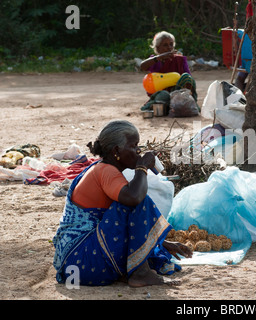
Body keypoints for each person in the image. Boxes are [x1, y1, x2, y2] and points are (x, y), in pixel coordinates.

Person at [52, 120, 192, 287]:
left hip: (73, 263)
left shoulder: (101, 169)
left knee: (132, 201)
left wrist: (162, 242)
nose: (138, 151)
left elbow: (124, 223)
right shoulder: (106, 171)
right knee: (139, 201)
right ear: (116, 151)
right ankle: (140, 273)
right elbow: (134, 198)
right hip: (82, 257)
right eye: (134, 146)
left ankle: (138, 269)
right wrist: (142, 167)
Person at [140, 31, 197, 109]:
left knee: (186, 77)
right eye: (165, 45)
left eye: (171, 44)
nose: (169, 47)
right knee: (163, 96)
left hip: (178, 94)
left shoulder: (179, 59)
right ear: (157, 48)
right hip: (162, 95)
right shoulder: (155, 60)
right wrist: (160, 57)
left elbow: (188, 79)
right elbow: (142, 66)